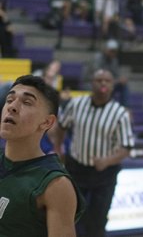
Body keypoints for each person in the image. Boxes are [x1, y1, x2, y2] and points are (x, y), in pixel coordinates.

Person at [49, 69, 134, 237]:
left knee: (98, 220)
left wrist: (107, 161)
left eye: (107, 81)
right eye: (98, 80)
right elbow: (61, 127)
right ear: (91, 83)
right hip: (76, 168)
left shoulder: (120, 113)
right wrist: (58, 149)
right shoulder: (76, 104)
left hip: (105, 174)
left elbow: (127, 148)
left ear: (112, 86)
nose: (102, 83)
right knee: (72, 215)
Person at [0, 75, 84, 236]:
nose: (12, 107)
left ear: (47, 122)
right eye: (9, 100)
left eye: (26, 102)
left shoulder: (55, 185)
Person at [88, 39, 130, 107]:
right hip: (95, 84)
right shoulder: (97, 58)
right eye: (111, 51)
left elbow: (116, 75)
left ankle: (126, 107)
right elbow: (97, 76)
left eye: (114, 51)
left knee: (123, 85)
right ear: (106, 49)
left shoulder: (114, 60)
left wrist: (120, 80)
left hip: (108, 84)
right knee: (104, 85)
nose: (113, 53)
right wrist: (113, 80)